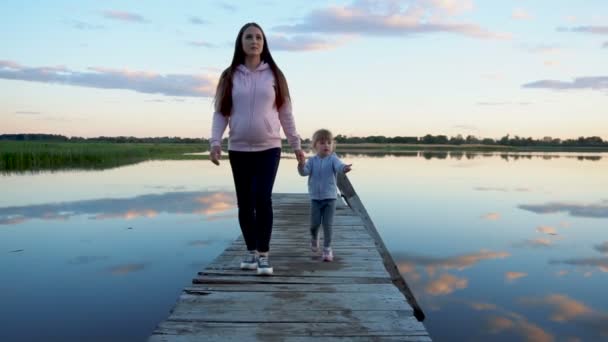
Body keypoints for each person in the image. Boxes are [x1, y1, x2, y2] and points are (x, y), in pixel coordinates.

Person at [209, 22, 305, 276]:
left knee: (262, 199)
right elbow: (221, 113)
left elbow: (286, 113)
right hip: (238, 149)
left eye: (259, 37)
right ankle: (251, 250)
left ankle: (263, 254)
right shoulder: (229, 76)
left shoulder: (275, 74)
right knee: (244, 203)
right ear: (241, 42)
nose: (254, 41)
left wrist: (296, 145)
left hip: (269, 148)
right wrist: (215, 142)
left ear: (264, 43)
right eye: (249, 37)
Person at [298, 129, 352, 262]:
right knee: (314, 224)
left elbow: (339, 166)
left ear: (332, 145)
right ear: (315, 146)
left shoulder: (333, 159)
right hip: (315, 198)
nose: (326, 145)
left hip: (330, 198)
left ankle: (327, 249)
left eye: (329, 142)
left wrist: (344, 168)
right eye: (322, 143)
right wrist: (301, 164)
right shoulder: (312, 161)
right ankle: (314, 238)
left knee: (328, 225)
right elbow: (304, 172)